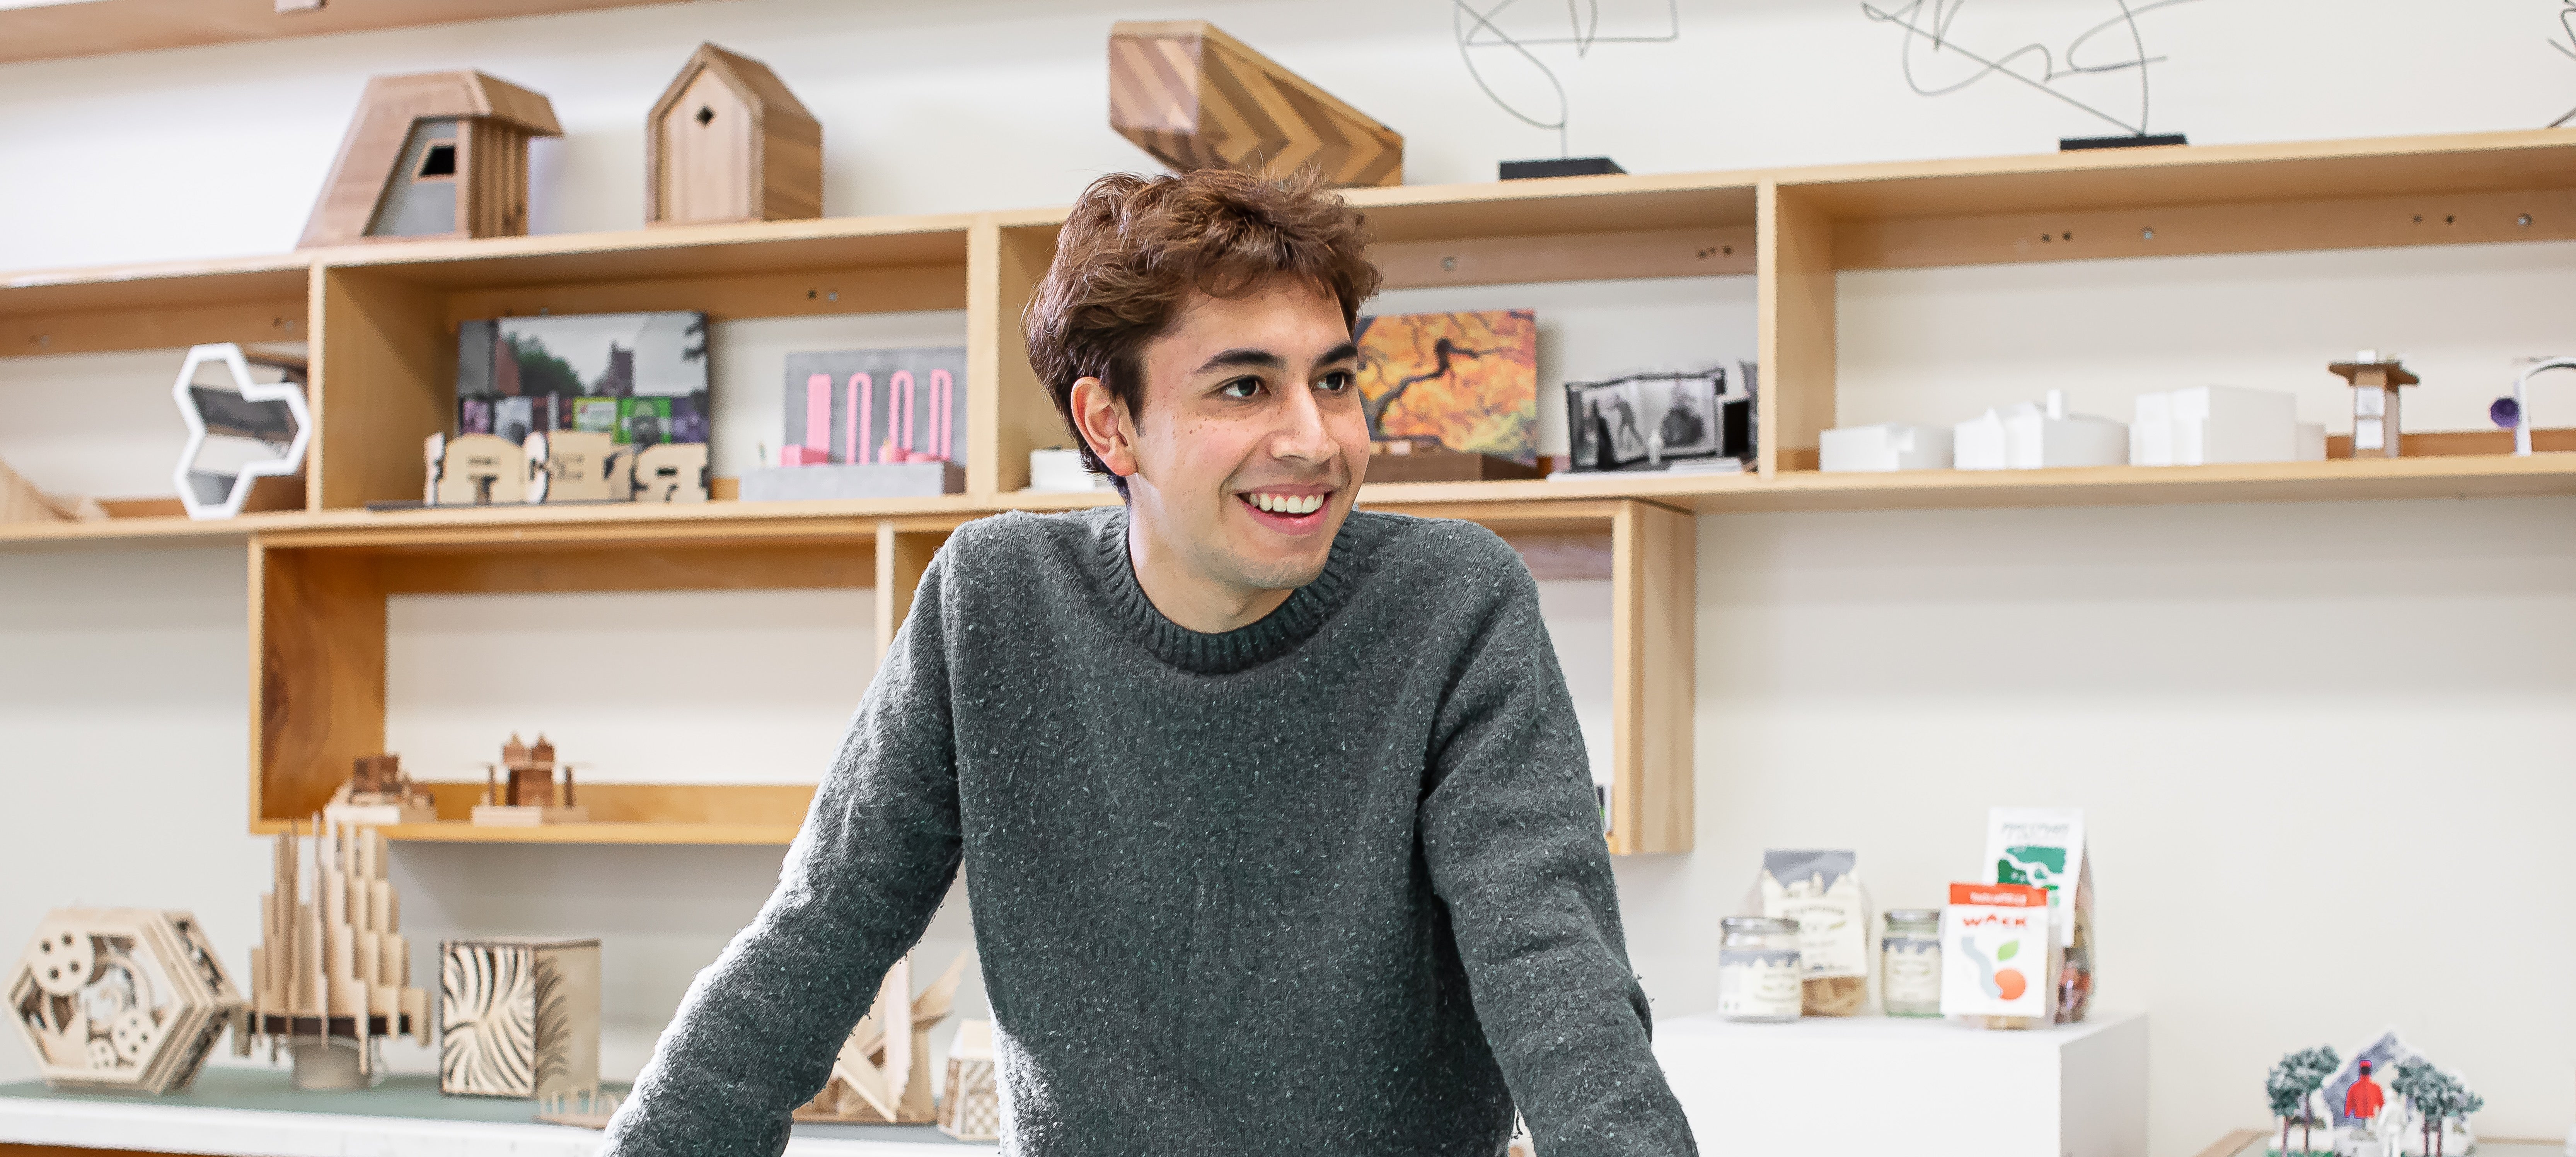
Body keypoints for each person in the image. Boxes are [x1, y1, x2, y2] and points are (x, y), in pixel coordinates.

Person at [602, 168, 1695, 1157]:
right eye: (1245, 387)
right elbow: (814, 944)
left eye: (1337, 380)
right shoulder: (992, 602)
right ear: (1110, 425)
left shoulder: (1454, 601)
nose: (1315, 439)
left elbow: (1558, 982)